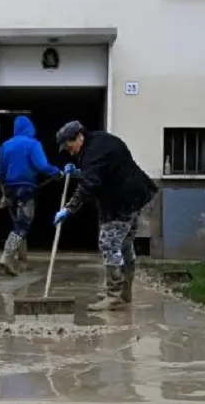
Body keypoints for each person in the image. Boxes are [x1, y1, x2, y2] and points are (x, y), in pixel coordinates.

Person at [53, 120, 157, 311]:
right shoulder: (100, 140)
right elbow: (101, 172)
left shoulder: (92, 153)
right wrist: (78, 172)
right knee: (124, 243)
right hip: (137, 194)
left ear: (78, 137)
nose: (70, 152)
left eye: (69, 147)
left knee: (108, 243)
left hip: (121, 202)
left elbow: (89, 184)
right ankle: (124, 293)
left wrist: (69, 208)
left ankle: (114, 294)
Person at [0, 115, 65, 278]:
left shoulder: (6, 145)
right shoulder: (33, 144)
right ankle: (7, 256)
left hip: (10, 189)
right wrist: (57, 172)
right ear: (30, 128)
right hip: (26, 188)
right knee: (23, 225)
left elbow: (1, 173)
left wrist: (3, 195)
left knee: (17, 224)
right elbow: (41, 165)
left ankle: (21, 259)